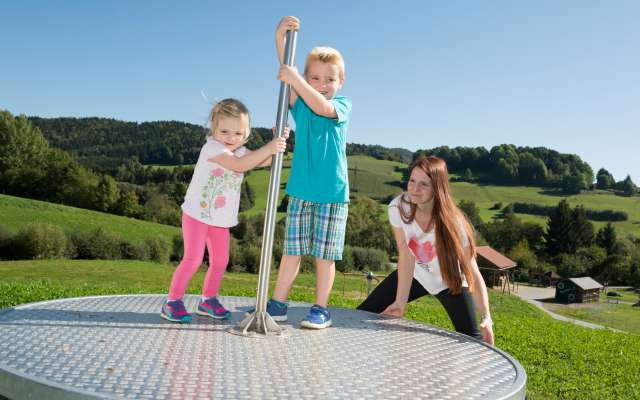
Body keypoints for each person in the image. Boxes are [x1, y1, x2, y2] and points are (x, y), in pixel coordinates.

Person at [252, 16, 352, 329]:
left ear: (341, 83)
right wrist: (279, 39)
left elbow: (321, 105)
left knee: (325, 255)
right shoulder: (302, 105)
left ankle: (320, 308)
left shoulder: (343, 105)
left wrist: (299, 80)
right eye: (315, 78)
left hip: (332, 193)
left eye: (329, 80)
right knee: (292, 251)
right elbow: (289, 80)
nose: (323, 85)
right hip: (300, 189)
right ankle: (278, 303)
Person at [161, 98, 288, 323]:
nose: (231, 138)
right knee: (193, 258)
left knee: (220, 260)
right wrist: (270, 147)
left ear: (247, 133)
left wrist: (278, 140)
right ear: (213, 127)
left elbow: (265, 161)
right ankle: (172, 301)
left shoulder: (239, 151)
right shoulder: (213, 147)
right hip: (197, 214)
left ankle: (208, 300)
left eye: (238, 134)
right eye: (225, 131)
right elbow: (240, 166)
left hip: (220, 219)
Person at [357, 156, 495, 345]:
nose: (414, 189)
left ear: (437, 188)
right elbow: (405, 253)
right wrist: (400, 302)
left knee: (473, 341)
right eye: (412, 181)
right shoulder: (399, 207)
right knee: (363, 312)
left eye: (424, 184)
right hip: (416, 275)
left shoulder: (455, 224)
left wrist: (486, 317)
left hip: (450, 281)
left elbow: (473, 272)